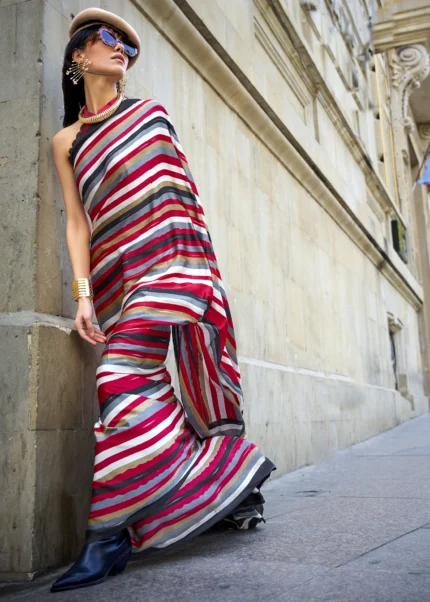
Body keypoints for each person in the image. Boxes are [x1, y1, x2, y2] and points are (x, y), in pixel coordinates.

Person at [50, 7, 276, 593]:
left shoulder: (151, 116)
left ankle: (106, 539)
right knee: (140, 392)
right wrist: (83, 299)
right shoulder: (66, 141)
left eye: (127, 42)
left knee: (115, 379)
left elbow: (179, 196)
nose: (121, 47)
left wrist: (197, 276)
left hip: (175, 269)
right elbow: (79, 225)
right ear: (79, 55)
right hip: (119, 285)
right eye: (108, 38)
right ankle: (231, 479)